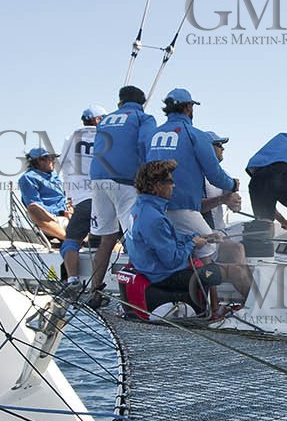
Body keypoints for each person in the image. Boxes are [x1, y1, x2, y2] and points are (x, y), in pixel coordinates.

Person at [127, 158, 252, 309]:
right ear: (158, 186)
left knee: (228, 268)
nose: (174, 185)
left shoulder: (141, 208)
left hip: (153, 271)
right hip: (168, 277)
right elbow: (172, 260)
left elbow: (169, 240)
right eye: (169, 181)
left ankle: (224, 308)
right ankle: (257, 314)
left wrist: (203, 238)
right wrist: (193, 244)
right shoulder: (154, 218)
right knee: (236, 272)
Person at [146, 88, 243, 266]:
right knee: (208, 250)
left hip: (151, 209)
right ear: (189, 107)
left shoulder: (150, 135)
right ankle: (205, 293)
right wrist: (233, 185)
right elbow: (215, 176)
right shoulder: (195, 135)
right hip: (181, 206)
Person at [88, 85, 157, 304]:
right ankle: (138, 296)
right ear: (142, 103)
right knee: (133, 237)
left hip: (98, 179)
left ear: (120, 102)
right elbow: (145, 144)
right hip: (125, 181)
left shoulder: (105, 120)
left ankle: (95, 292)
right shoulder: (143, 118)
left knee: (106, 238)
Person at [57, 106, 103, 281]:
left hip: (82, 199)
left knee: (71, 241)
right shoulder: (106, 138)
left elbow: (61, 165)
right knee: (111, 240)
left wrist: (69, 193)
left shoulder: (72, 138)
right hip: (105, 197)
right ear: (98, 120)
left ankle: (73, 279)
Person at [17, 147, 70, 241]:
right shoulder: (28, 178)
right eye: (51, 159)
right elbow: (35, 205)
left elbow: (64, 197)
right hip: (51, 220)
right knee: (33, 208)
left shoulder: (54, 177)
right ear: (40, 160)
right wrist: (56, 214)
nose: (54, 162)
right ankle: (70, 238)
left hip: (68, 217)